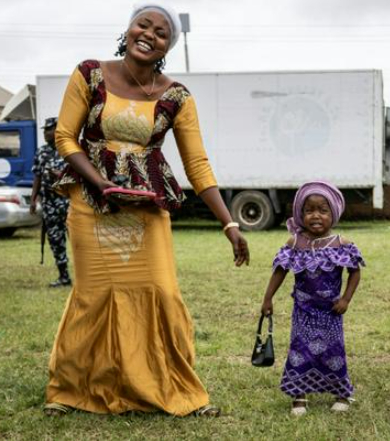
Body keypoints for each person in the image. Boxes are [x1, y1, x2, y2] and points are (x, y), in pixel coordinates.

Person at [44, 2, 249, 417]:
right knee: (94, 296)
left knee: (160, 292)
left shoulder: (176, 96)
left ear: (168, 45)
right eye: (144, 24)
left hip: (147, 207)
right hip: (91, 204)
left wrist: (228, 222)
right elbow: (66, 137)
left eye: (161, 32)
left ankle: (169, 388)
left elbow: (198, 165)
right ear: (129, 28)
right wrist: (100, 183)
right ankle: (72, 390)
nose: (149, 34)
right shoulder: (90, 73)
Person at [260, 181, 364, 416]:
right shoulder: (295, 243)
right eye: (309, 210)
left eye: (323, 210)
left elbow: (355, 271)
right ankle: (299, 395)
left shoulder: (341, 244)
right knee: (300, 351)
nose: (316, 216)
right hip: (303, 311)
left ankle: (341, 393)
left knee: (333, 352)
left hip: (331, 311)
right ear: (300, 214)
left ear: (333, 214)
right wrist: (268, 299)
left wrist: (346, 299)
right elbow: (280, 271)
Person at [30, 117, 71, 287]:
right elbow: (37, 176)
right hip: (49, 203)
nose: (46, 133)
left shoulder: (69, 149)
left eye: (49, 129)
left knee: (79, 240)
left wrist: (60, 175)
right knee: (55, 239)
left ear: (58, 130)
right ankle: (64, 277)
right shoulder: (41, 152)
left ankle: (88, 278)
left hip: (69, 202)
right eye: (45, 130)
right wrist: (33, 199)